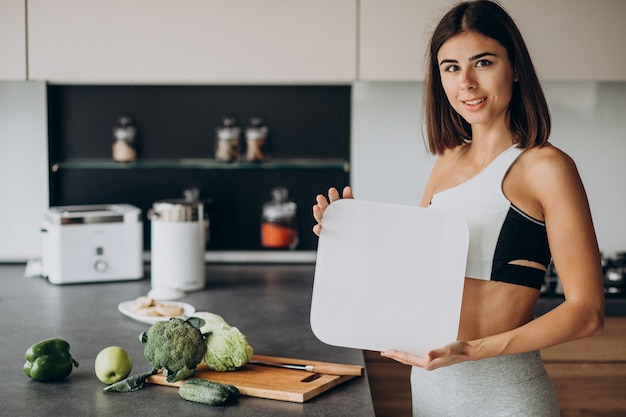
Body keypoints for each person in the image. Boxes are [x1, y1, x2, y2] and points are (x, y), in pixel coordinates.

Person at [312, 1, 605, 415]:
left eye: (482, 62)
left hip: (505, 396)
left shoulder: (546, 166)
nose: (466, 82)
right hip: (432, 389)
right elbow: (418, 275)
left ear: (515, 67)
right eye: (450, 67)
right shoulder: (447, 158)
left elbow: (587, 311)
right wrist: (354, 237)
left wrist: (473, 351)